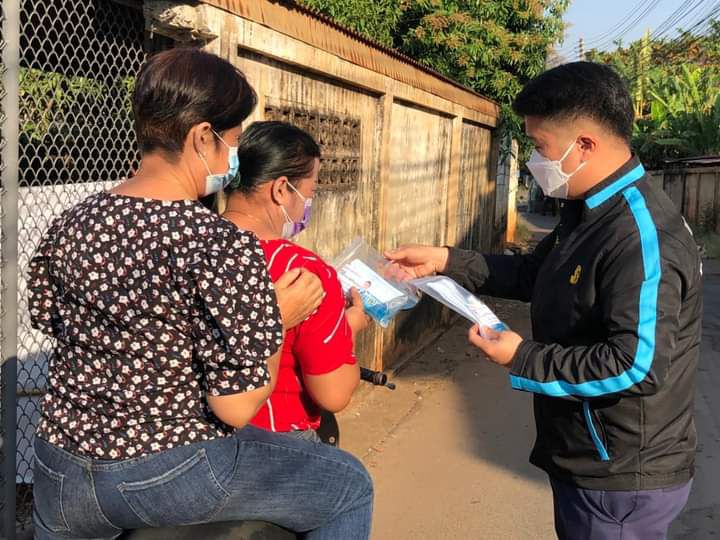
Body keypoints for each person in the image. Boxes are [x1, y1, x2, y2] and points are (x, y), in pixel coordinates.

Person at [28, 48, 373, 540]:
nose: (233, 157)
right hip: (169, 473)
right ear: (202, 137)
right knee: (350, 485)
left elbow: (51, 317)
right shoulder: (217, 242)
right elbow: (236, 406)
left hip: (60, 471)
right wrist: (272, 320)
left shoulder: (74, 220)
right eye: (233, 141)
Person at [386, 62, 702, 540]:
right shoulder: (589, 209)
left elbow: (636, 365)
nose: (536, 161)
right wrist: (445, 260)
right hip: (585, 453)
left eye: (540, 146)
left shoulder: (639, 235)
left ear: (585, 145)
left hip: (619, 475)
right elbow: (536, 274)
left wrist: (522, 357)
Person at [222, 121, 369, 441]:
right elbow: (333, 394)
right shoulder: (303, 272)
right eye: (310, 192)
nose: (307, 204)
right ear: (280, 190)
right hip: (278, 442)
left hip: (195, 438)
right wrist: (349, 327)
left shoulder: (189, 247)